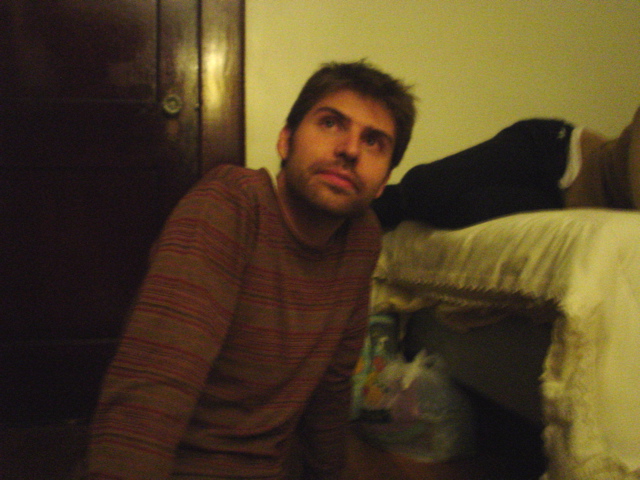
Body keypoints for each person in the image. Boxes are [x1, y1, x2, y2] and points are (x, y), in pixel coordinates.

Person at [83, 60, 416, 480]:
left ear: (383, 182)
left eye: (373, 142)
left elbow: (331, 389)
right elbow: (154, 383)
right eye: (331, 123)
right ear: (285, 141)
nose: (350, 149)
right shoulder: (228, 206)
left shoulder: (362, 238)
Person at [373, 106, 640, 230]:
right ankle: (354, 218)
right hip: (558, 150)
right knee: (426, 189)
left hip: (566, 202)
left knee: (464, 213)